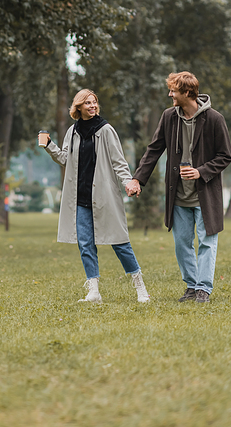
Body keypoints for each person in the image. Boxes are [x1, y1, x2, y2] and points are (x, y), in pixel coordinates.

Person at [125, 72, 231, 303]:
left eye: (173, 90)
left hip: (205, 193)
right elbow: (153, 150)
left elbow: (225, 156)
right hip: (179, 195)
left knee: (206, 241)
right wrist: (137, 179)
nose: (169, 94)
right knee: (182, 243)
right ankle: (192, 286)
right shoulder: (168, 117)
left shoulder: (214, 119)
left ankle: (204, 288)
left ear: (187, 93)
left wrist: (200, 171)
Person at [41, 89, 150, 304]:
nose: (92, 106)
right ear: (78, 107)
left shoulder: (106, 130)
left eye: (94, 102)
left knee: (119, 242)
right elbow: (65, 158)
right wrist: (49, 146)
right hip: (79, 199)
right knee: (85, 244)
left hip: (104, 196)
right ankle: (94, 292)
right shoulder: (72, 131)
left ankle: (141, 288)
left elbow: (119, 162)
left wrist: (128, 182)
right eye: (88, 103)